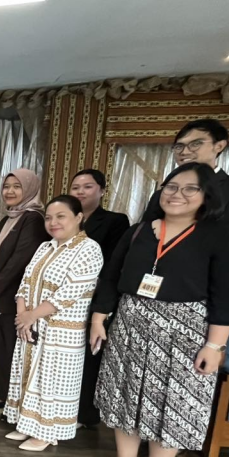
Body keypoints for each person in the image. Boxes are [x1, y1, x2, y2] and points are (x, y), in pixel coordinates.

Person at [90, 162, 229, 457]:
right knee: (124, 390)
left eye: (190, 188)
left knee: (174, 401)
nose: (177, 194)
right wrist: (99, 318)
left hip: (185, 330)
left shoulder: (219, 237)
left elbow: (227, 296)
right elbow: (112, 277)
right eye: (172, 187)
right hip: (130, 322)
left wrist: (215, 345)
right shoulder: (139, 231)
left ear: (207, 196)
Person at [4, 196, 104, 451]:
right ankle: (26, 425)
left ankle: (47, 432)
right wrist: (22, 315)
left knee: (51, 381)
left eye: (61, 216)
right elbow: (26, 281)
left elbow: (69, 293)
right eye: (49, 217)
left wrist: (32, 315)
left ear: (78, 218)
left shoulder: (89, 249)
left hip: (61, 331)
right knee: (28, 375)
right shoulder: (45, 247)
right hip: (31, 325)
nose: (53, 222)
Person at [0, 168, 49, 411]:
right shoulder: (8, 217)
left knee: (12, 351)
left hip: (14, 297)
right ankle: (5, 395)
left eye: (17, 186)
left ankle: (14, 402)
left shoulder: (33, 219)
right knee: (1, 349)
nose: (10, 191)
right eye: (7, 186)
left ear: (29, 189)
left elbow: (22, 258)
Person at [69, 169, 130, 428]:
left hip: (94, 297)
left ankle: (84, 414)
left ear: (102, 190)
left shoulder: (115, 221)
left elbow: (113, 264)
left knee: (89, 356)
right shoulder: (66, 218)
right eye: (76, 187)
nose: (81, 191)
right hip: (63, 298)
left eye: (88, 186)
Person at [142, 119, 229, 248]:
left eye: (195, 144)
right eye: (179, 146)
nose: (184, 152)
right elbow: (143, 238)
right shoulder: (163, 193)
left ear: (219, 146)